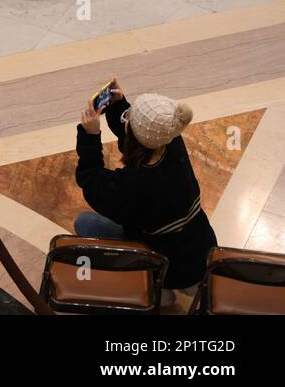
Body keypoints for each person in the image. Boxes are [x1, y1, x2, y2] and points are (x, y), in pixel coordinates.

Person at [76, 84, 217, 300]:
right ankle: (183, 286)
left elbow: (91, 180)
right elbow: (138, 136)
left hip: (164, 264)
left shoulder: (132, 186)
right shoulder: (171, 141)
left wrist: (90, 137)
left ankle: (158, 287)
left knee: (85, 223)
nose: (127, 117)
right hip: (201, 252)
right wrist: (119, 105)